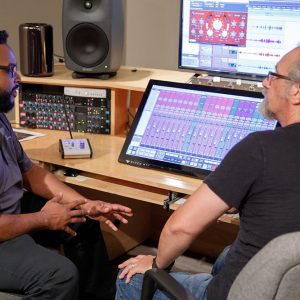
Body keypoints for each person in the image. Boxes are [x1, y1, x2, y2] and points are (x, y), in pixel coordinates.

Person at [116, 46, 300, 300]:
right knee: (227, 254)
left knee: (131, 279)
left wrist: (157, 265)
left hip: (242, 293)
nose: (266, 83)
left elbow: (179, 229)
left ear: (296, 90)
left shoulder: (259, 149)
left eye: (273, 75)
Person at [0, 30, 133, 300]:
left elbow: (30, 173)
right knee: (60, 276)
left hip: (10, 213)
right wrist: (44, 219)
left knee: (81, 219)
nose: (19, 78)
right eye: (10, 70)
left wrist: (86, 204)